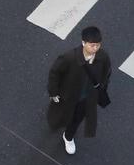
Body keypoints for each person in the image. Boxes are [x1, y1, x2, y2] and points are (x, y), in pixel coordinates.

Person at [47, 26, 112, 155]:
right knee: (61, 113)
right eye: (92, 45)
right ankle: (56, 123)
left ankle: (68, 137)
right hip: (68, 95)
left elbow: (106, 73)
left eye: (98, 45)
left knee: (77, 119)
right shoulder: (69, 58)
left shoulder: (103, 57)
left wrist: (102, 87)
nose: (95, 49)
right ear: (83, 43)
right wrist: (53, 92)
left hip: (87, 98)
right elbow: (55, 73)